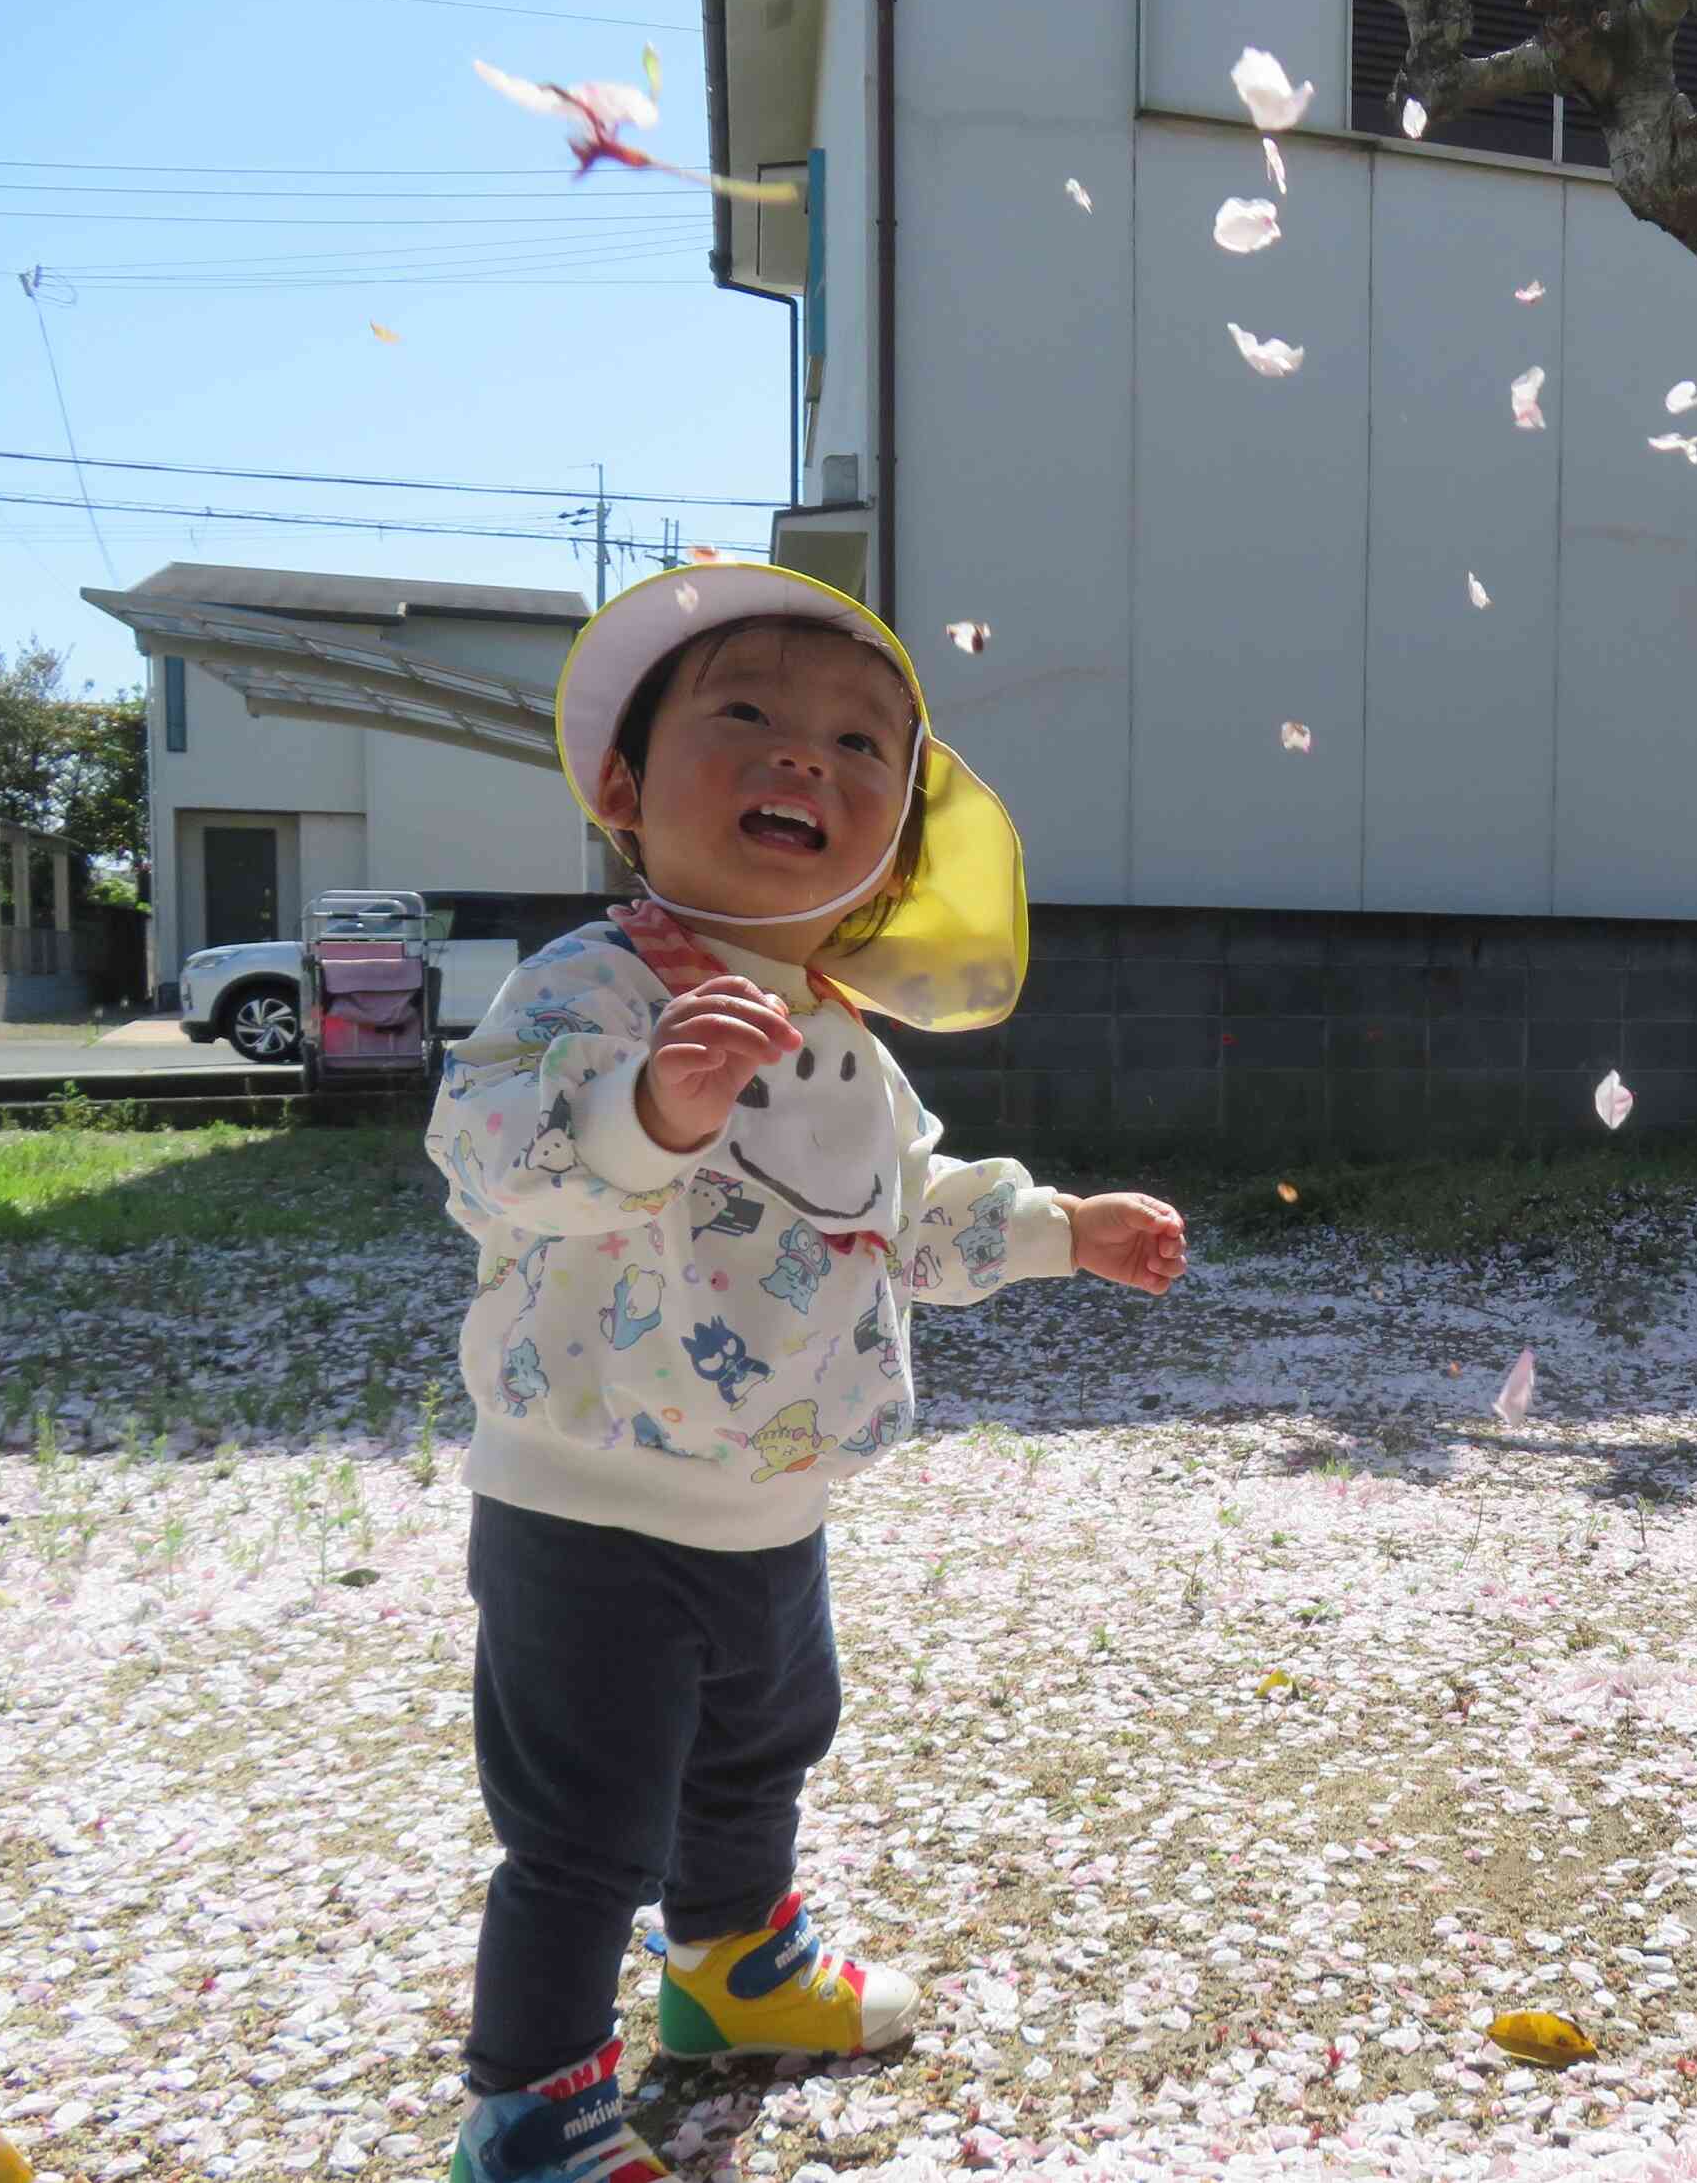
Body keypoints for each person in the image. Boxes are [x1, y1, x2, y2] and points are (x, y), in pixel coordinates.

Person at [427, 565, 1189, 2183]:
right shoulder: (587, 984)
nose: (802, 758)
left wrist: (1059, 1229)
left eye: (859, 746)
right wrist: (649, 1108)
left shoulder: (845, 1038)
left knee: (761, 1752)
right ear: (623, 786)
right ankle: (531, 2104)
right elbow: (489, 1149)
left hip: (776, 1496)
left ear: (892, 852)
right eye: (748, 715)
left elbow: (906, 1214)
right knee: (585, 1824)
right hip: (589, 1500)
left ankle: (731, 1969)